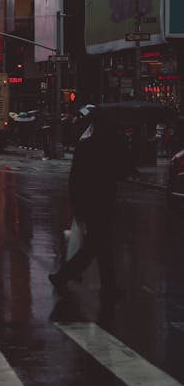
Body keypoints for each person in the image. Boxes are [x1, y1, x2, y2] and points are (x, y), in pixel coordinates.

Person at [49, 112, 132, 298]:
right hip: (103, 203)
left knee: (100, 244)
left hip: (88, 203)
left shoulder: (86, 146)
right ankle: (65, 276)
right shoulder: (113, 147)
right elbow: (123, 171)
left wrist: (76, 204)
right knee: (97, 245)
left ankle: (106, 284)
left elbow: (75, 178)